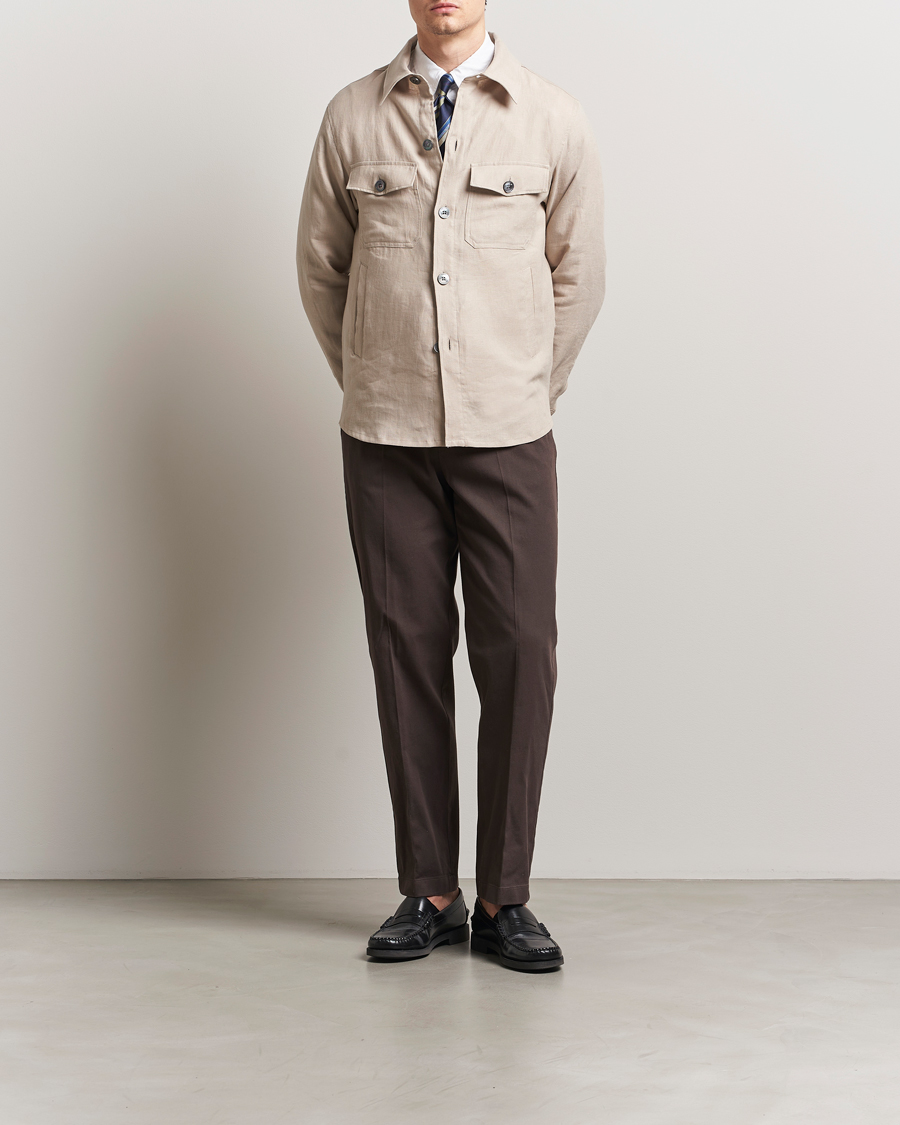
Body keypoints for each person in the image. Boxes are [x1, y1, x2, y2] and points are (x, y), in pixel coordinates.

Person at [297, 0, 605, 972]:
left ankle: (505, 896)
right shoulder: (351, 115)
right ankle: (429, 890)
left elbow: (578, 276)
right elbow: (321, 270)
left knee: (520, 652)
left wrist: (525, 389)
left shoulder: (551, 118)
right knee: (406, 653)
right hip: (384, 436)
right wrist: (373, 375)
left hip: (508, 432)